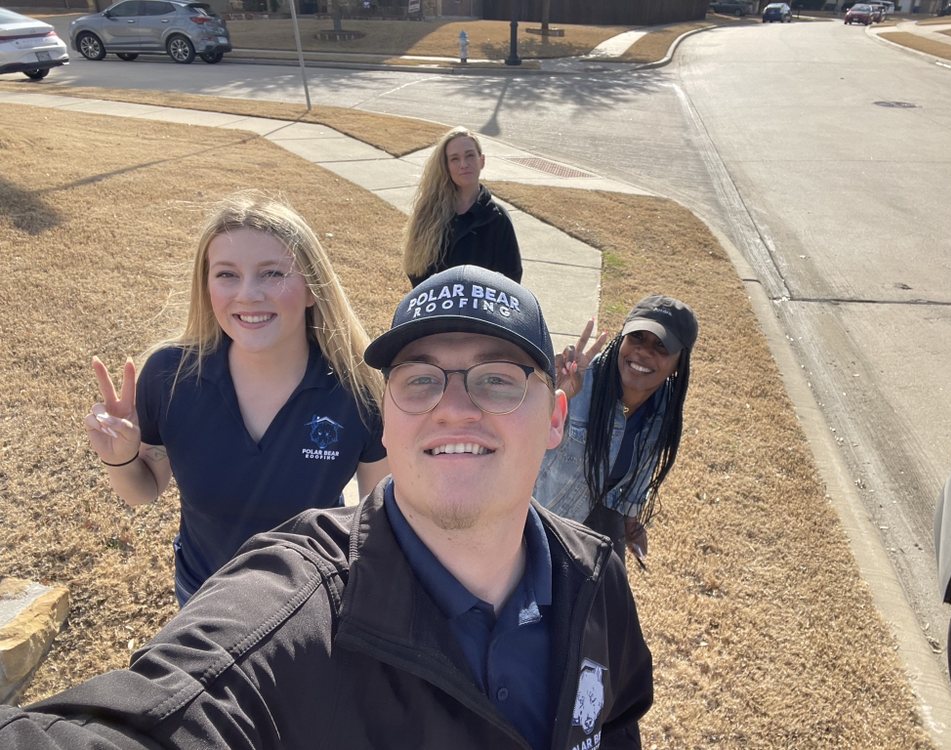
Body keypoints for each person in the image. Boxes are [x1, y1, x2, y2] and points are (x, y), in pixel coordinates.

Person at [3, 266, 653, 749]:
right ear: (388, 422)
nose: (454, 407)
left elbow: (616, 718)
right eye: (420, 378)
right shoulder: (292, 613)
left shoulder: (595, 577)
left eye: (498, 380)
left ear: (554, 418)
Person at [84, 191, 389, 605]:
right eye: (227, 274)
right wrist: (119, 458)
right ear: (206, 284)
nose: (248, 294)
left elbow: (376, 522)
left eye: (272, 273)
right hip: (201, 599)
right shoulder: (171, 376)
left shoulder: (359, 390)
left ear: (312, 289)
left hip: (307, 607)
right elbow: (145, 489)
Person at [534, 296, 698, 566]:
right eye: (636, 338)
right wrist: (553, 394)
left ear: (679, 363)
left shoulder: (664, 407)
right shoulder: (578, 382)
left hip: (598, 522)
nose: (643, 352)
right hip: (544, 521)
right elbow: (518, 439)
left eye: (661, 346)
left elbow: (643, 468)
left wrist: (630, 522)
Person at [402, 126, 522, 287]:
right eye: (455, 159)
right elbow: (415, 269)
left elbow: (511, 280)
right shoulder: (428, 212)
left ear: (482, 161)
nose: (463, 164)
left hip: (479, 311)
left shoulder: (497, 219)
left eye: (470, 155)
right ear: (447, 166)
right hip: (436, 309)